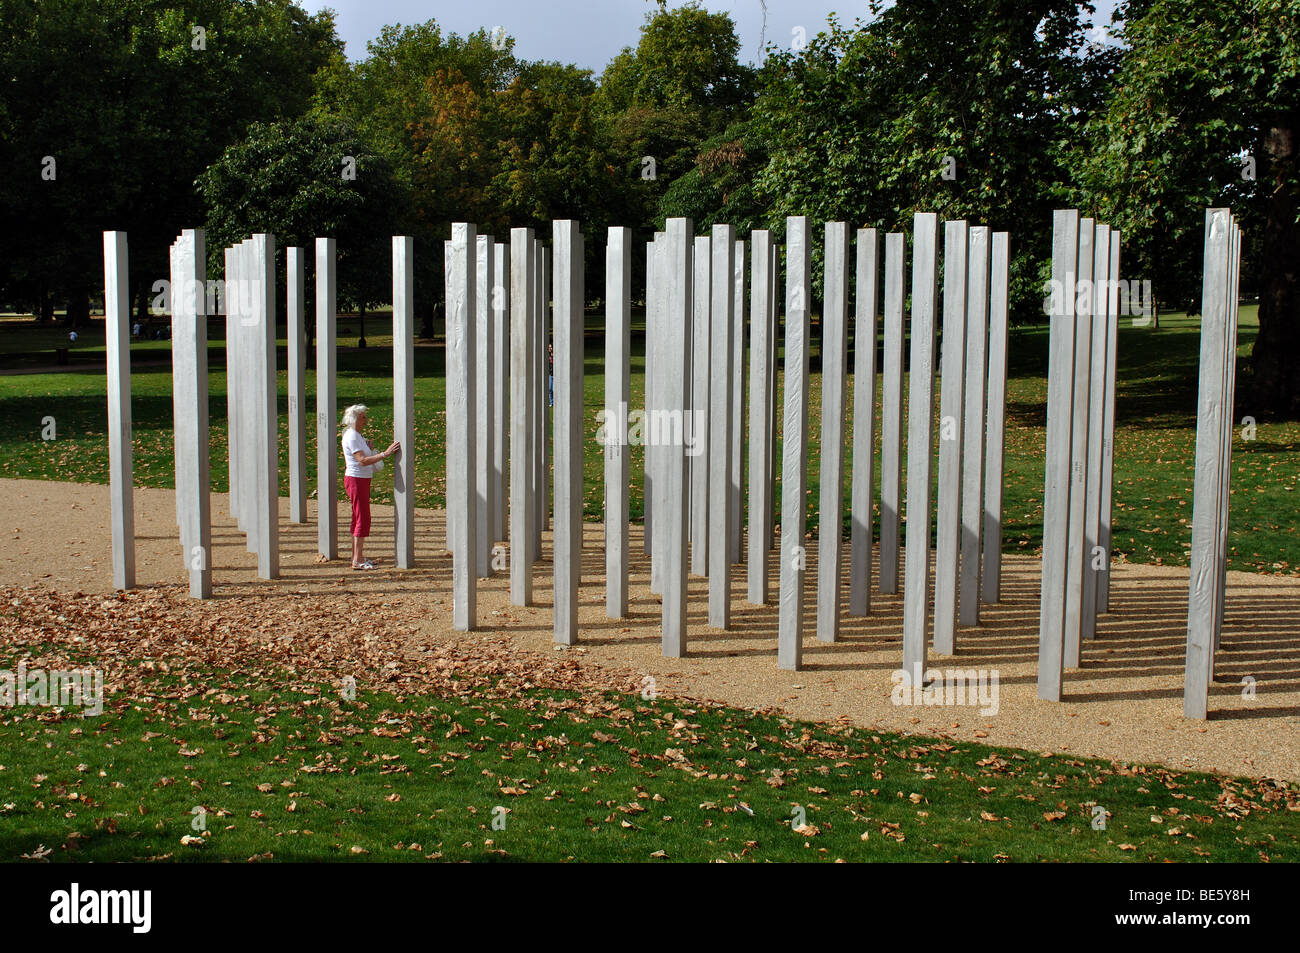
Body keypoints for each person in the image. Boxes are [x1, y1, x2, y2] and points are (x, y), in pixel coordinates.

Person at [341, 404, 399, 570]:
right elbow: (362, 460)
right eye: (363, 417)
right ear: (355, 419)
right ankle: (358, 560)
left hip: (361, 479)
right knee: (363, 518)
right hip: (356, 480)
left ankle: (357, 557)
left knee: (359, 516)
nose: (366, 420)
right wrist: (385, 454)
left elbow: (362, 454)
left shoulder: (356, 435)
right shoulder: (352, 436)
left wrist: (369, 447)